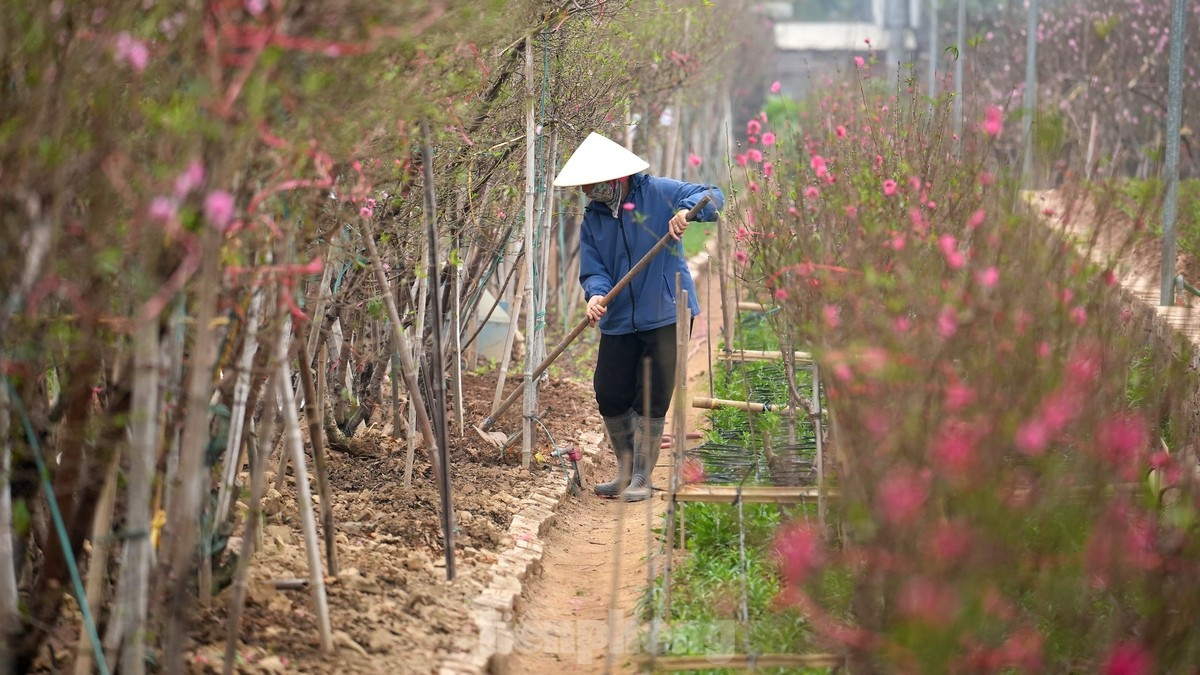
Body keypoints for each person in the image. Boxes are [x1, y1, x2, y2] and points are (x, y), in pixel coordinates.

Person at [552, 132, 724, 501]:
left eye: (589, 183)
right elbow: (594, 267)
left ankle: (642, 477)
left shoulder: (659, 192)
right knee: (610, 393)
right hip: (618, 317)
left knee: (652, 394)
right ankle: (626, 470)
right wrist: (596, 293)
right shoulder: (594, 218)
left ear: (613, 177)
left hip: (664, 312)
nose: (584, 191)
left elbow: (713, 195)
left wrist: (685, 211)